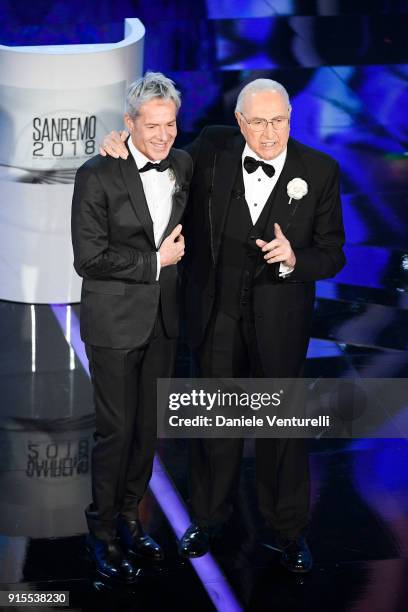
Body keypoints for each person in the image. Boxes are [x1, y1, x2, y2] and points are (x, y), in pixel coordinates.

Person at [99, 78, 345, 573]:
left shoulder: (319, 171)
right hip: (217, 313)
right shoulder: (212, 147)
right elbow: (161, 152)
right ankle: (209, 517)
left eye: (279, 121)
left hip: (281, 319)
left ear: (291, 119)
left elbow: (334, 253)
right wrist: (119, 140)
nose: (270, 134)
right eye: (257, 122)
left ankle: (289, 529)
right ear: (239, 122)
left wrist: (298, 258)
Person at [71, 72, 193, 582]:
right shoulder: (98, 173)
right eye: (152, 125)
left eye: (170, 124)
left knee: (147, 433)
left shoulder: (183, 164)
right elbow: (88, 257)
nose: (163, 135)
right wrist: (154, 261)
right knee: (116, 433)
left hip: (162, 322)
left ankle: (129, 518)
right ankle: (99, 536)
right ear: (128, 123)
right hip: (115, 324)